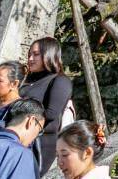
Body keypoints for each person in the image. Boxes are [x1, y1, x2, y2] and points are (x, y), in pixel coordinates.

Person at [20, 37, 73, 172]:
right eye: (29, 54)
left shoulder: (60, 80)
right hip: (16, 138)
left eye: (36, 54)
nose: (30, 58)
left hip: (39, 143)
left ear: (49, 54)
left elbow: (50, 113)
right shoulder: (28, 81)